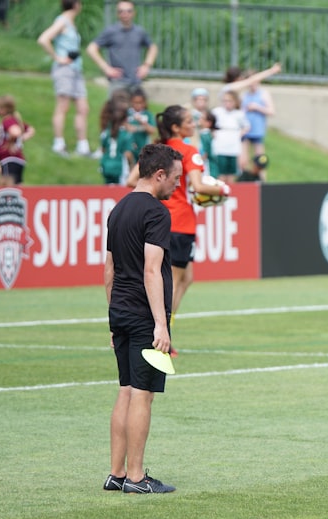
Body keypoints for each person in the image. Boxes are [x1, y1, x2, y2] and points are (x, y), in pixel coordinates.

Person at [104, 142, 183, 494]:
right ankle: (136, 477)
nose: (178, 186)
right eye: (176, 179)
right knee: (142, 394)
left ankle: (116, 473)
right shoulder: (155, 213)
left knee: (124, 391)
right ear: (159, 174)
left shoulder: (118, 209)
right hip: (142, 316)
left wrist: (111, 318)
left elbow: (109, 269)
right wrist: (161, 325)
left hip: (120, 311)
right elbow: (152, 270)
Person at [126, 105, 231, 356]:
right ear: (176, 127)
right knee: (169, 282)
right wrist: (222, 190)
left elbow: (132, 180)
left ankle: (162, 330)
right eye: (188, 121)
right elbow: (198, 185)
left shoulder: (158, 149)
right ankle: (161, 334)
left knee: (186, 277)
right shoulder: (188, 151)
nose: (193, 124)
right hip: (180, 222)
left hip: (159, 219)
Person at [37, 0, 92, 157]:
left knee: (83, 107)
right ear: (76, 5)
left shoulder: (70, 22)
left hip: (76, 69)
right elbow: (43, 39)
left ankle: (83, 146)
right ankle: (59, 144)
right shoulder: (62, 21)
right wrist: (57, 57)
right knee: (63, 106)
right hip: (64, 69)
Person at [86, 0, 158, 95]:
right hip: (118, 83)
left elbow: (153, 47)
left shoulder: (139, 31)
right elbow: (91, 49)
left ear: (134, 13)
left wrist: (146, 65)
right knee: (116, 110)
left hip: (135, 82)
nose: (125, 14)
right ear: (117, 14)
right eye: (121, 11)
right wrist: (106, 68)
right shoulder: (111, 31)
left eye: (129, 11)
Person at [238, 75, 275, 181]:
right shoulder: (244, 95)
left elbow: (271, 111)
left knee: (260, 160)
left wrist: (257, 107)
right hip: (245, 131)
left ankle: (262, 181)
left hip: (257, 131)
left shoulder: (263, 94)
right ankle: (244, 180)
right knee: (243, 160)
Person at [0, 95, 35, 186]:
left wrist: (11, 142)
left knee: (6, 185)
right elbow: (31, 130)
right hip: (17, 159)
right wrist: (21, 139)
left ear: (3, 109)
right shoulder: (16, 120)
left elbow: (15, 132)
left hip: (9, 159)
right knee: (17, 184)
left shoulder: (7, 120)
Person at [210, 90, 248, 184]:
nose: (227, 103)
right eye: (225, 101)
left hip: (233, 147)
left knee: (231, 173)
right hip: (221, 146)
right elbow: (210, 123)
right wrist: (213, 132)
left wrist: (239, 134)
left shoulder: (239, 114)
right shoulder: (217, 112)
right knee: (221, 172)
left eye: (230, 101)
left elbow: (246, 126)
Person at [98, 96, 132, 185]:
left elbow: (103, 149)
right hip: (119, 166)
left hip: (106, 165)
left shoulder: (106, 131)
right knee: (120, 193)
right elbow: (128, 154)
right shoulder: (126, 134)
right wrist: (132, 166)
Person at [125, 88, 156, 167]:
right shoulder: (127, 114)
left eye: (140, 103)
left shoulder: (147, 115)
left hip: (143, 148)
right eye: (135, 102)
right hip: (129, 148)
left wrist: (144, 124)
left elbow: (152, 131)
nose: (138, 105)